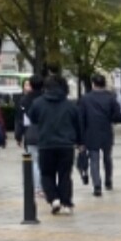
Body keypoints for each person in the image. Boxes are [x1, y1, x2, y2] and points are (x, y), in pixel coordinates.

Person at [28, 74, 82, 214]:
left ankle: (53, 199)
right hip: (66, 145)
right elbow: (78, 125)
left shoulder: (38, 103)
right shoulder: (70, 105)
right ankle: (66, 202)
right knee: (65, 175)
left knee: (47, 174)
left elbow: (32, 118)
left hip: (46, 144)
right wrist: (80, 142)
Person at [78, 73, 121, 196]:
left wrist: (80, 138)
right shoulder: (111, 97)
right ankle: (108, 181)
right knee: (107, 157)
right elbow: (117, 115)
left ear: (93, 84)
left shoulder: (85, 99)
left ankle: (97, 185)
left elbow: (81, 118)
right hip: (106, 131)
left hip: (91, 132)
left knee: (94, 159)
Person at [15, 76, 44, 194]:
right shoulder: (46, 98)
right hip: (46, 133)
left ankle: (37, 187)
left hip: (30, 133)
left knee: (34, 161)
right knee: (44, 161)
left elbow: (20, 119)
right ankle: (44, 186)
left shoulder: (24, 100)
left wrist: (18, 136)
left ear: (31, 85)